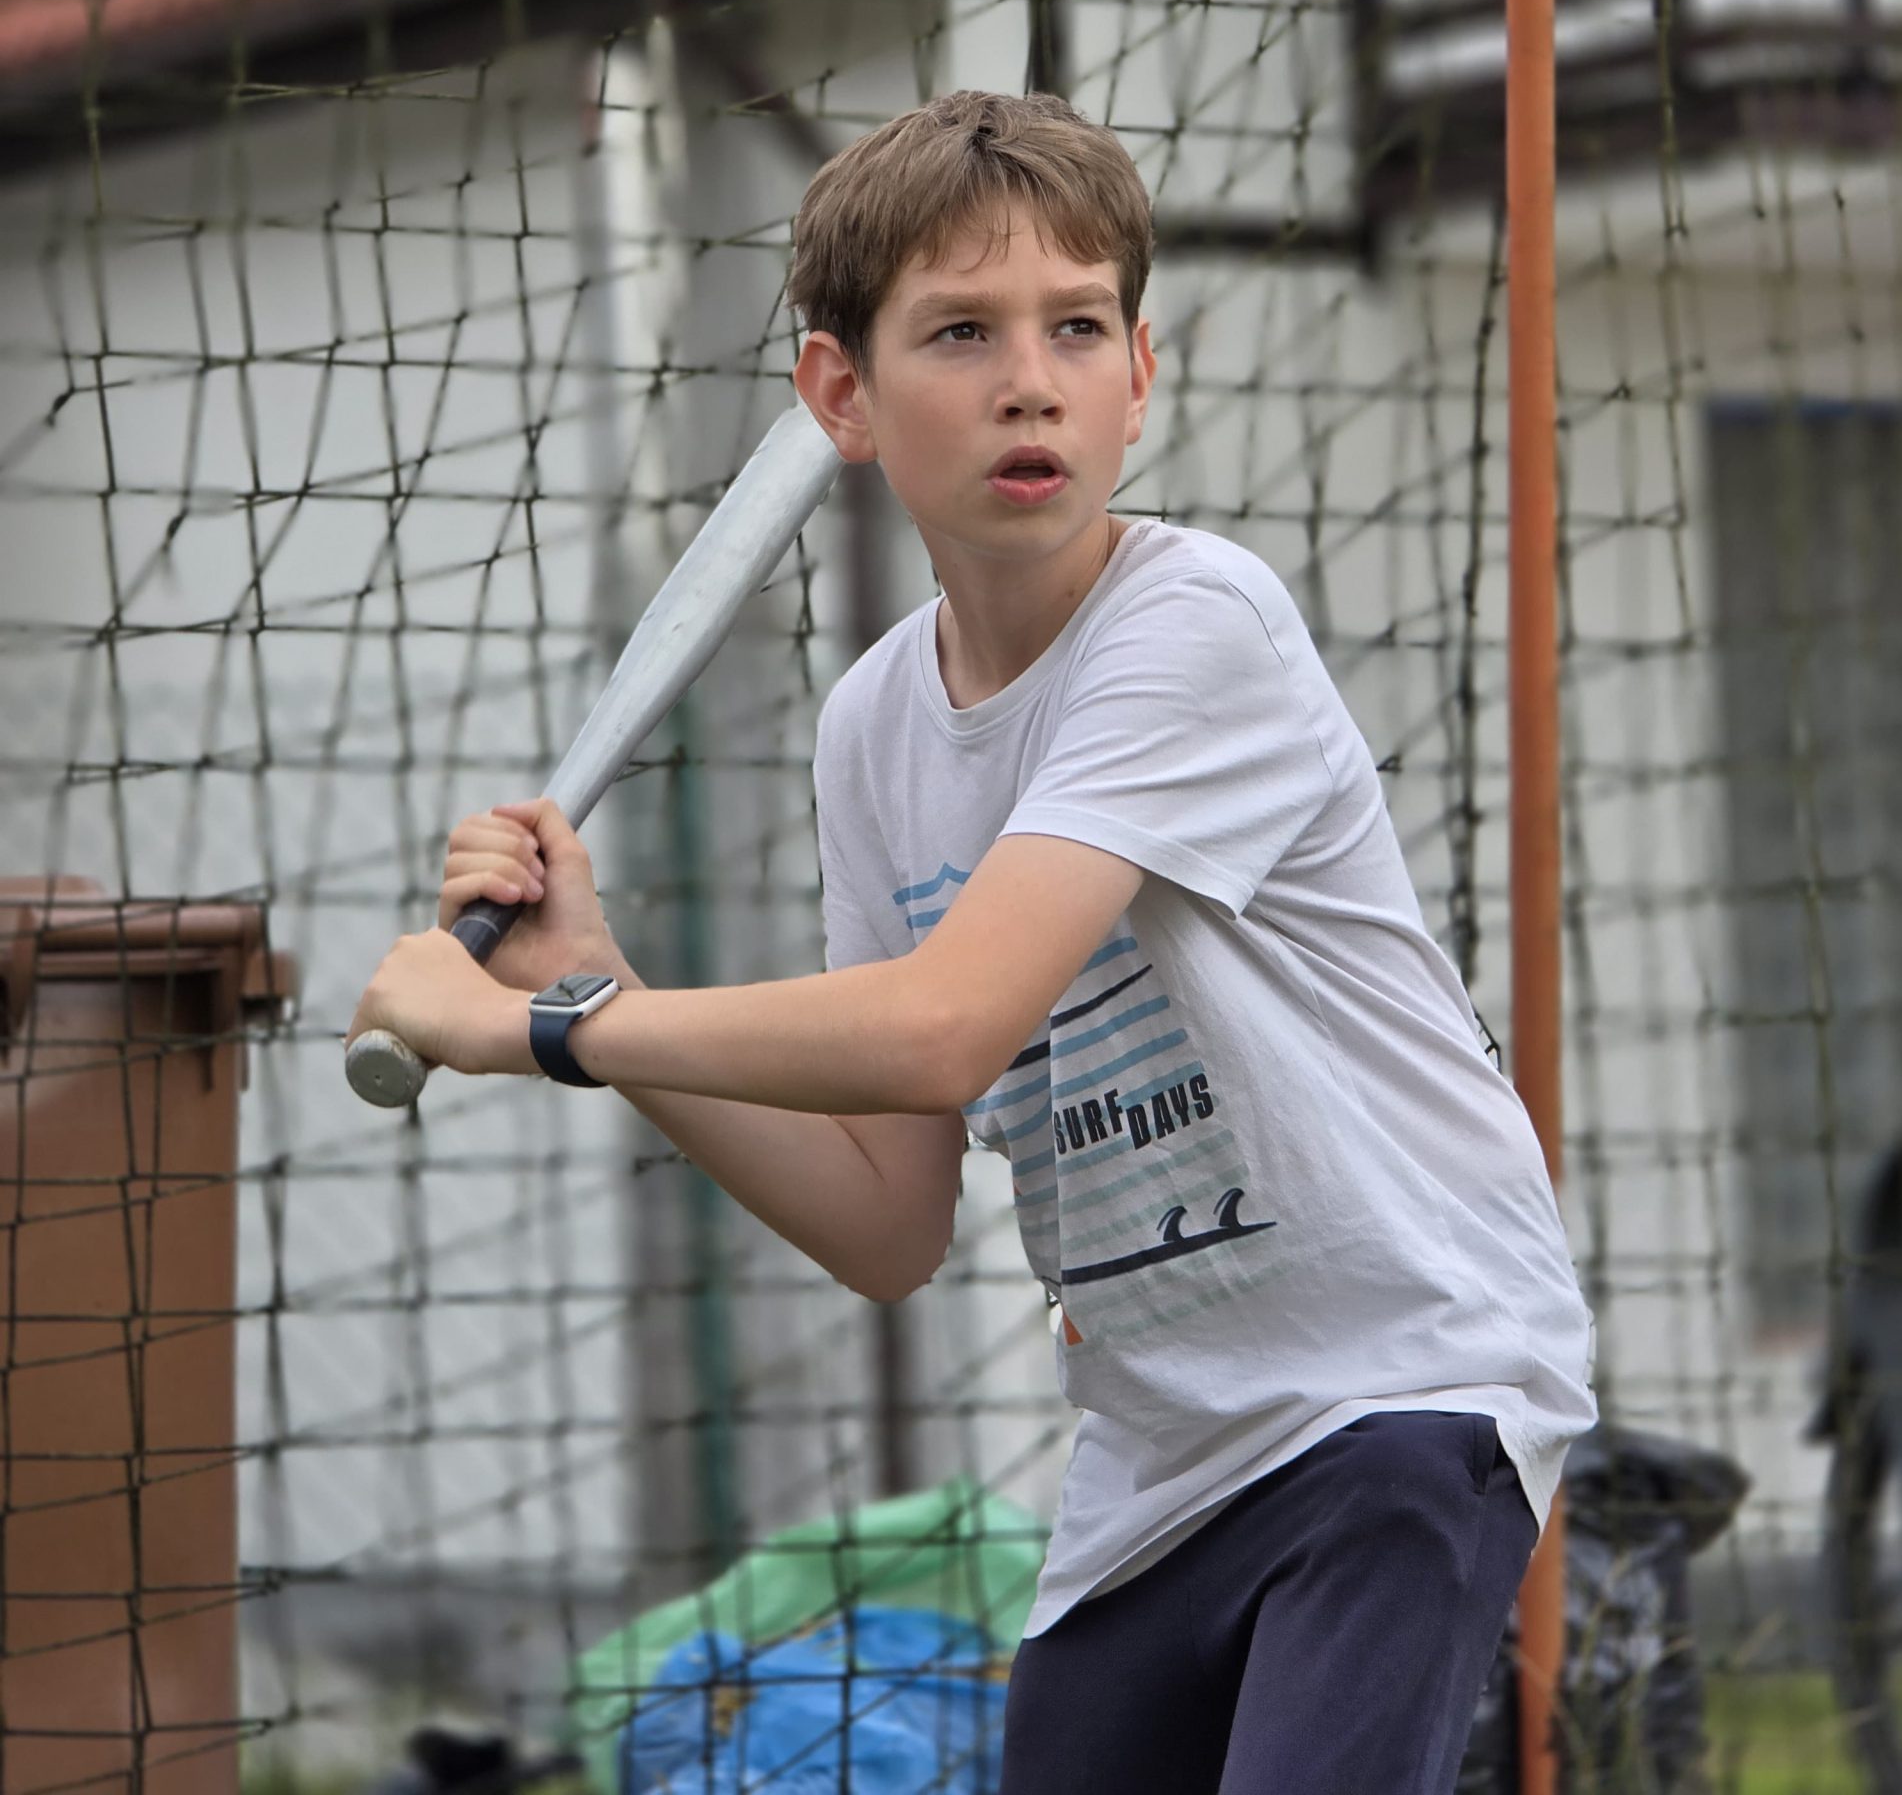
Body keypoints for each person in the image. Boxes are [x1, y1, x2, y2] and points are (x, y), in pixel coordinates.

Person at [349, 89, 1595, 1794]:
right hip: (1159, 1463)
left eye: (1076, 327)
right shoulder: (874, 725)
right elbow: (887, 1217)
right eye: (960, 332)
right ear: (839, 396)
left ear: (1139, 374)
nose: (1030, 380)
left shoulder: (1195, 624)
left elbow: (946, 1024)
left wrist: (540, 1032)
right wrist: (598, 985)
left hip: (1401, 1389)